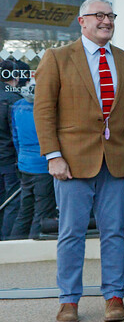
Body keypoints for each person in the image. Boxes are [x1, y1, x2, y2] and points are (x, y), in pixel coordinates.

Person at [34, 0, 124, 322]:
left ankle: (114, 296)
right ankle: (69, 301)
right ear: (82, 21)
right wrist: (53, 156)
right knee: (72, 233)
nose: (106, 21)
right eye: (99, 16)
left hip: (116, 159)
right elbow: (44, 110)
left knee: (115, 232)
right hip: (72, 162)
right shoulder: (58, 58)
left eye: (110, 16)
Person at [10, 76, 56, 239]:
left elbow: (15, 137)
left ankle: (14, 244)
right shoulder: (46, 109)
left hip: (24, 164)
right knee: (42, 211)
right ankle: (34, 246)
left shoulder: (17, 106)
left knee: (25, 210)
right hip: (42, 166)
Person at [0, 59, 23, 240]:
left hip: (5, 157)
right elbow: (17, 135)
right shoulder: (15, 101)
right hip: (9, 159)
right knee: (13, 202)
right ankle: (7, 240)